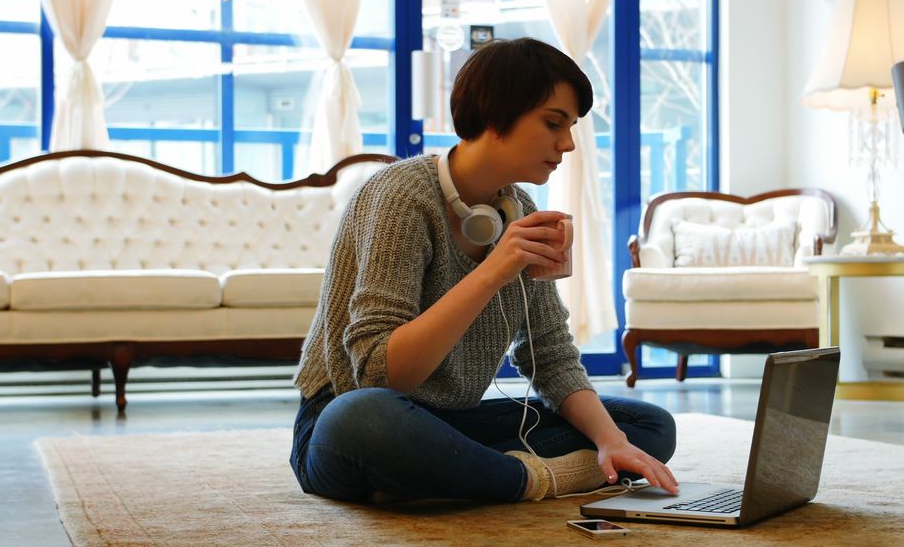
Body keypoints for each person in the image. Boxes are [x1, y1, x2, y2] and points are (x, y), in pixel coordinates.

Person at [290, 37, 678, 503]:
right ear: (496, 115)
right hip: (347, 419)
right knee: (366, 418)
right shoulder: (401, 197)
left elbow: (549, 353)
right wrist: (493, 270)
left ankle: (451, 480)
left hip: (449, 424)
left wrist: (611, 441)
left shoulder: (519, 209)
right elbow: (379, 375)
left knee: (648, 426)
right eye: (554, 123)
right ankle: (537, 480)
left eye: (571, 126)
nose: (568, 144)